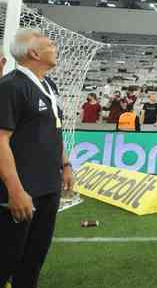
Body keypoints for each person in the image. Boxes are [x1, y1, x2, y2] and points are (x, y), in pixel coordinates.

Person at [0, 29, 74, 288]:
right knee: (7, 258)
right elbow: (0, 142)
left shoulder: (49, 85)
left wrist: (65, 165)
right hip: (22, 191)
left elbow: (55, 129)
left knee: (33, 260)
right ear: (33, 53)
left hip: (48, 188)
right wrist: (16, 190)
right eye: (50, 44)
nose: (55, 47)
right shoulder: (11, 87)